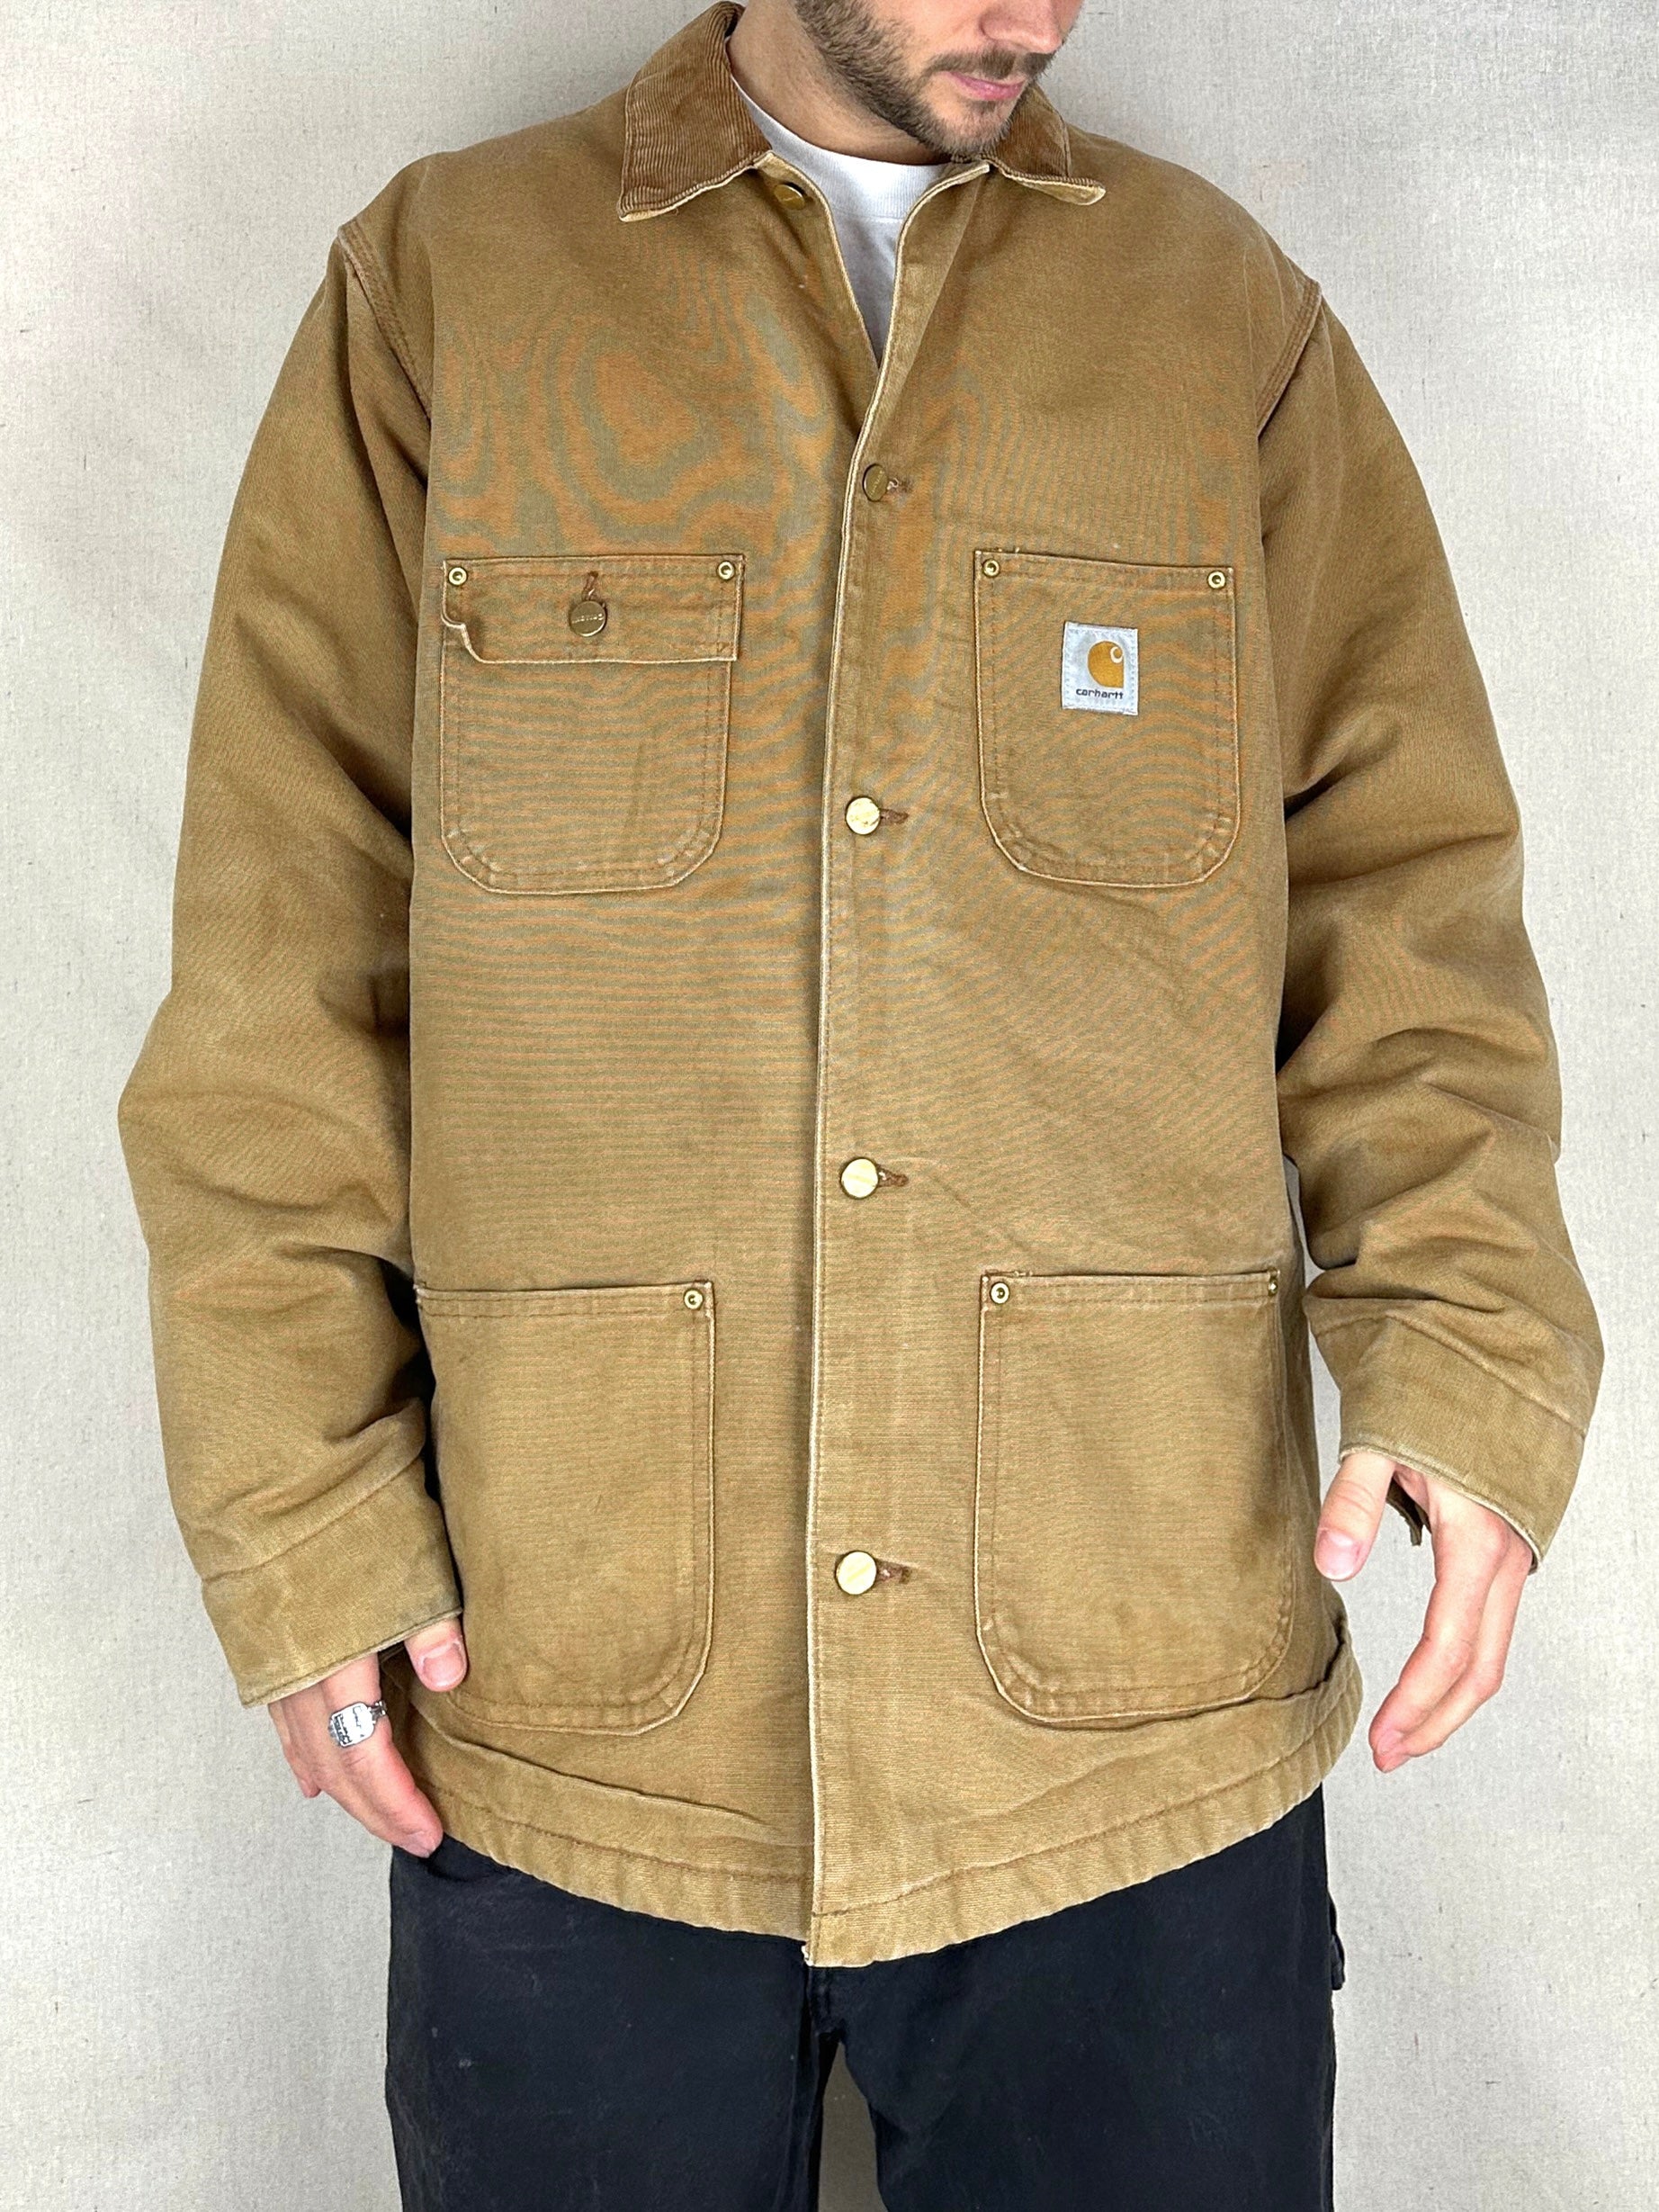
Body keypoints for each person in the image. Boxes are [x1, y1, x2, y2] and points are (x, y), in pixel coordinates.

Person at [116, 2, 1603, 2205]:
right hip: (573, 1696)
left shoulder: (1220, 321)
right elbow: (282, 964)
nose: (1032, 16)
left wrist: (1467, 1352)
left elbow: (1406, 904)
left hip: (1130, 1709)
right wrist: (299, 1521)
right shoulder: (446, 293)